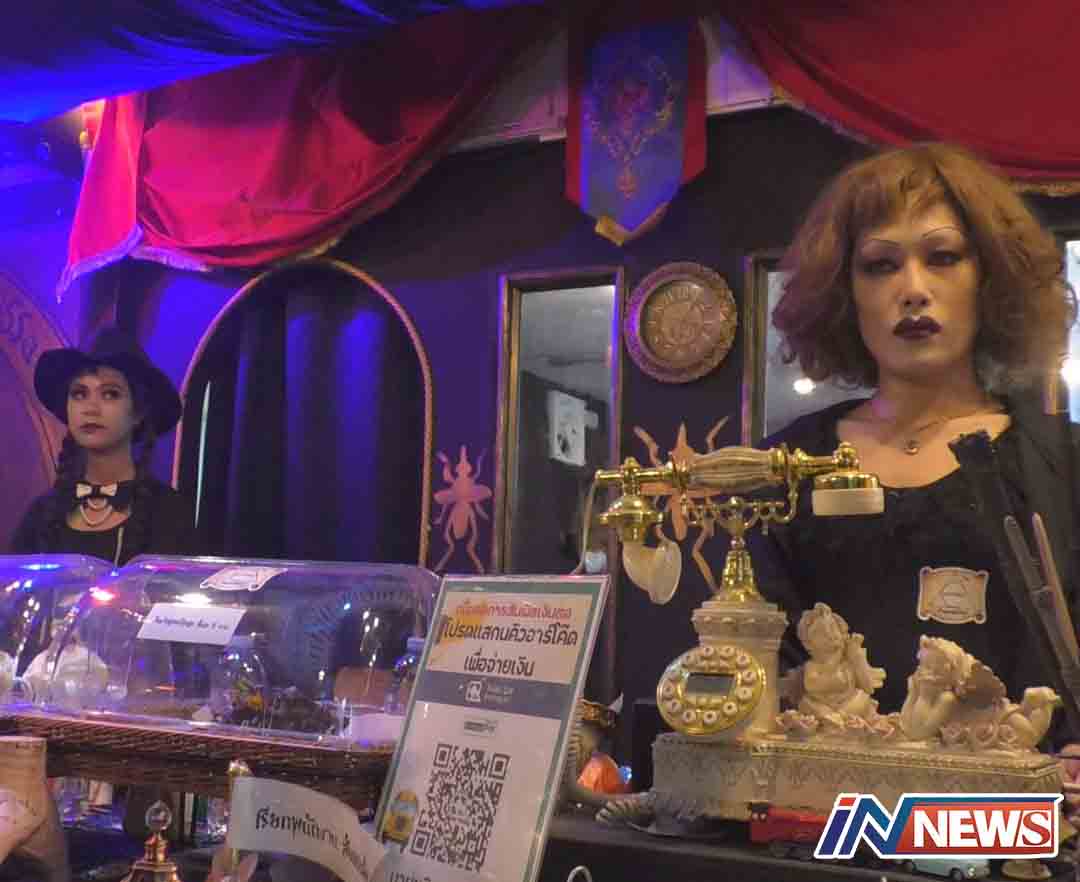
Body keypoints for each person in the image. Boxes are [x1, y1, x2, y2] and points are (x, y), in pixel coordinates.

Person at [749, 143, 1078, 724]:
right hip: (821, 780)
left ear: (989, 278)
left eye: (943, 257)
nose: (913, 289)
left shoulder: (1062, 465)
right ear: (845, 291)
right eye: (881, 265)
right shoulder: (786, 467)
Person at [9, 326, 197, 566]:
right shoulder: (40, 515)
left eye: (110, 394)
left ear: (138, 412)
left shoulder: (169, 514)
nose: (91, 408)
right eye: (79, 394)